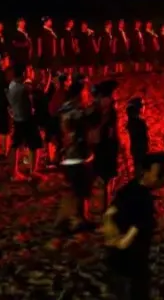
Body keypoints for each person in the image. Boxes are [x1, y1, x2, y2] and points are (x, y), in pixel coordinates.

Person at [103, 152, 164, 300]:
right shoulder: (145, 199)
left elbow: (109, 213)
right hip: (134, 256)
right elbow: (138, 225)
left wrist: (110, 234)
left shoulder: (129, 188)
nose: (162, 178)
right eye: (158, 173)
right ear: (145, 172)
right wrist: (124, 241)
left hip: (117, 256)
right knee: (137, 288)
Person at [57, 79, 93, 231]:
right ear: (80, 93)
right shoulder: (76, 111)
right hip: (77, 153)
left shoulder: (66, 108)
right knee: (79, 189)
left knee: (76, 188)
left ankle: (77, 218)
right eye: (85, 91)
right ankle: (75, 220)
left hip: (70, 152)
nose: (87, 94)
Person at [8, 65, 41, 181]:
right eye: (29, 70)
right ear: (23, 73)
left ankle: (14, 172)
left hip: (17, 118)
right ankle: (33, 171)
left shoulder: (12, 85)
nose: (31, 72)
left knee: (15, 145)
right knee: (35, 145)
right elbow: (39, 94)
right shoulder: (24, 87)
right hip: (27, 119)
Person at [92, 80, 121, 214]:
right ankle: (106, 205)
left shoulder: (95, 106)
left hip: (99, 144)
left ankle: (104, 204)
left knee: (103, 177)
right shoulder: (109, 109)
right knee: (107, 176)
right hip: (107, 144)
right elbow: (112, 129)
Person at [126, 98, 149, 181]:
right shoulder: (137, 123)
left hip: (137, 148)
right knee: (139, 168)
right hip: (139, 149)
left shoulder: (133, 121)